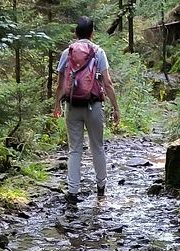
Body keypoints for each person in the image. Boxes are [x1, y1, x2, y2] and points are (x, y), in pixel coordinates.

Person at [53, 16, 120, 203]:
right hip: (94, 106)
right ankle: (101, 188)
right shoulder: (98, 52)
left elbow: (60, 85)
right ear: (92, 33)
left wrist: (57, 104)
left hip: (72, 105)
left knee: (74, 150)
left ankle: (73, 192)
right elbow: (107, 83)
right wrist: (115, 108)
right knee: (97, 147)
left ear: (76, 33)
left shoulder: (67, 53)